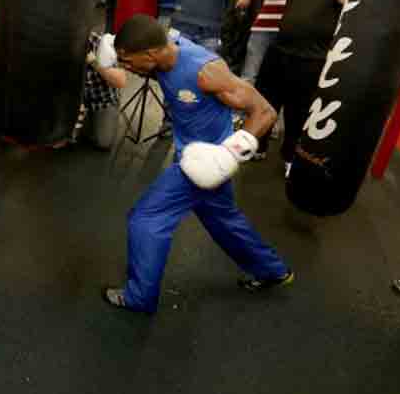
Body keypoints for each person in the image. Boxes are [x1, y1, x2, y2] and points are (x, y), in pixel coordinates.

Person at [103, 15, 293, 313]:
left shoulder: (205, 71)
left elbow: (265, 111)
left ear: (150, 54)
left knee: (146, 220)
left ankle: (139, 298)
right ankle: (272, 270)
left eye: (128, 60)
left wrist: (228, 155)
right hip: (192, 158)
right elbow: (154, 66)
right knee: (223, 220)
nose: (125, 67)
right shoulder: (162, 56)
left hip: (207, 162)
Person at [253, 0, 354, 175]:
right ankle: (257, 145)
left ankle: (290, 157)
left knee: (299, 114)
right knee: (264, 102)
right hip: (280, 51)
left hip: (312, 58)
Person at [77, 30, 127, 149]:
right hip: (77, 98)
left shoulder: (100, 43)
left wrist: (95, 63)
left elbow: (120, 81)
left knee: (103, 142)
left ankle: (88, 122)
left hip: (102, 100)